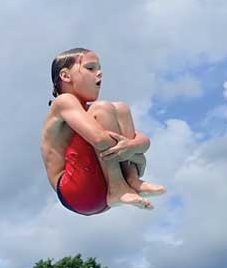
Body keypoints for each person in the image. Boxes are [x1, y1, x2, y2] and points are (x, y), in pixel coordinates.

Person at [40, 48, 165, 215]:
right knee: (104, 108)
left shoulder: (91, 114)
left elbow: (144, 141)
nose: (99, 74)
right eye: (90, 68)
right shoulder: (63, 102)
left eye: (99, 69)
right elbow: (99, 139)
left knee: (121, 108)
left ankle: (131, 180)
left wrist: (132, 147)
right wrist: (135, 154)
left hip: (99, 192)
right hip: (75, 191)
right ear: (66, 76)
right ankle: (118, 185)